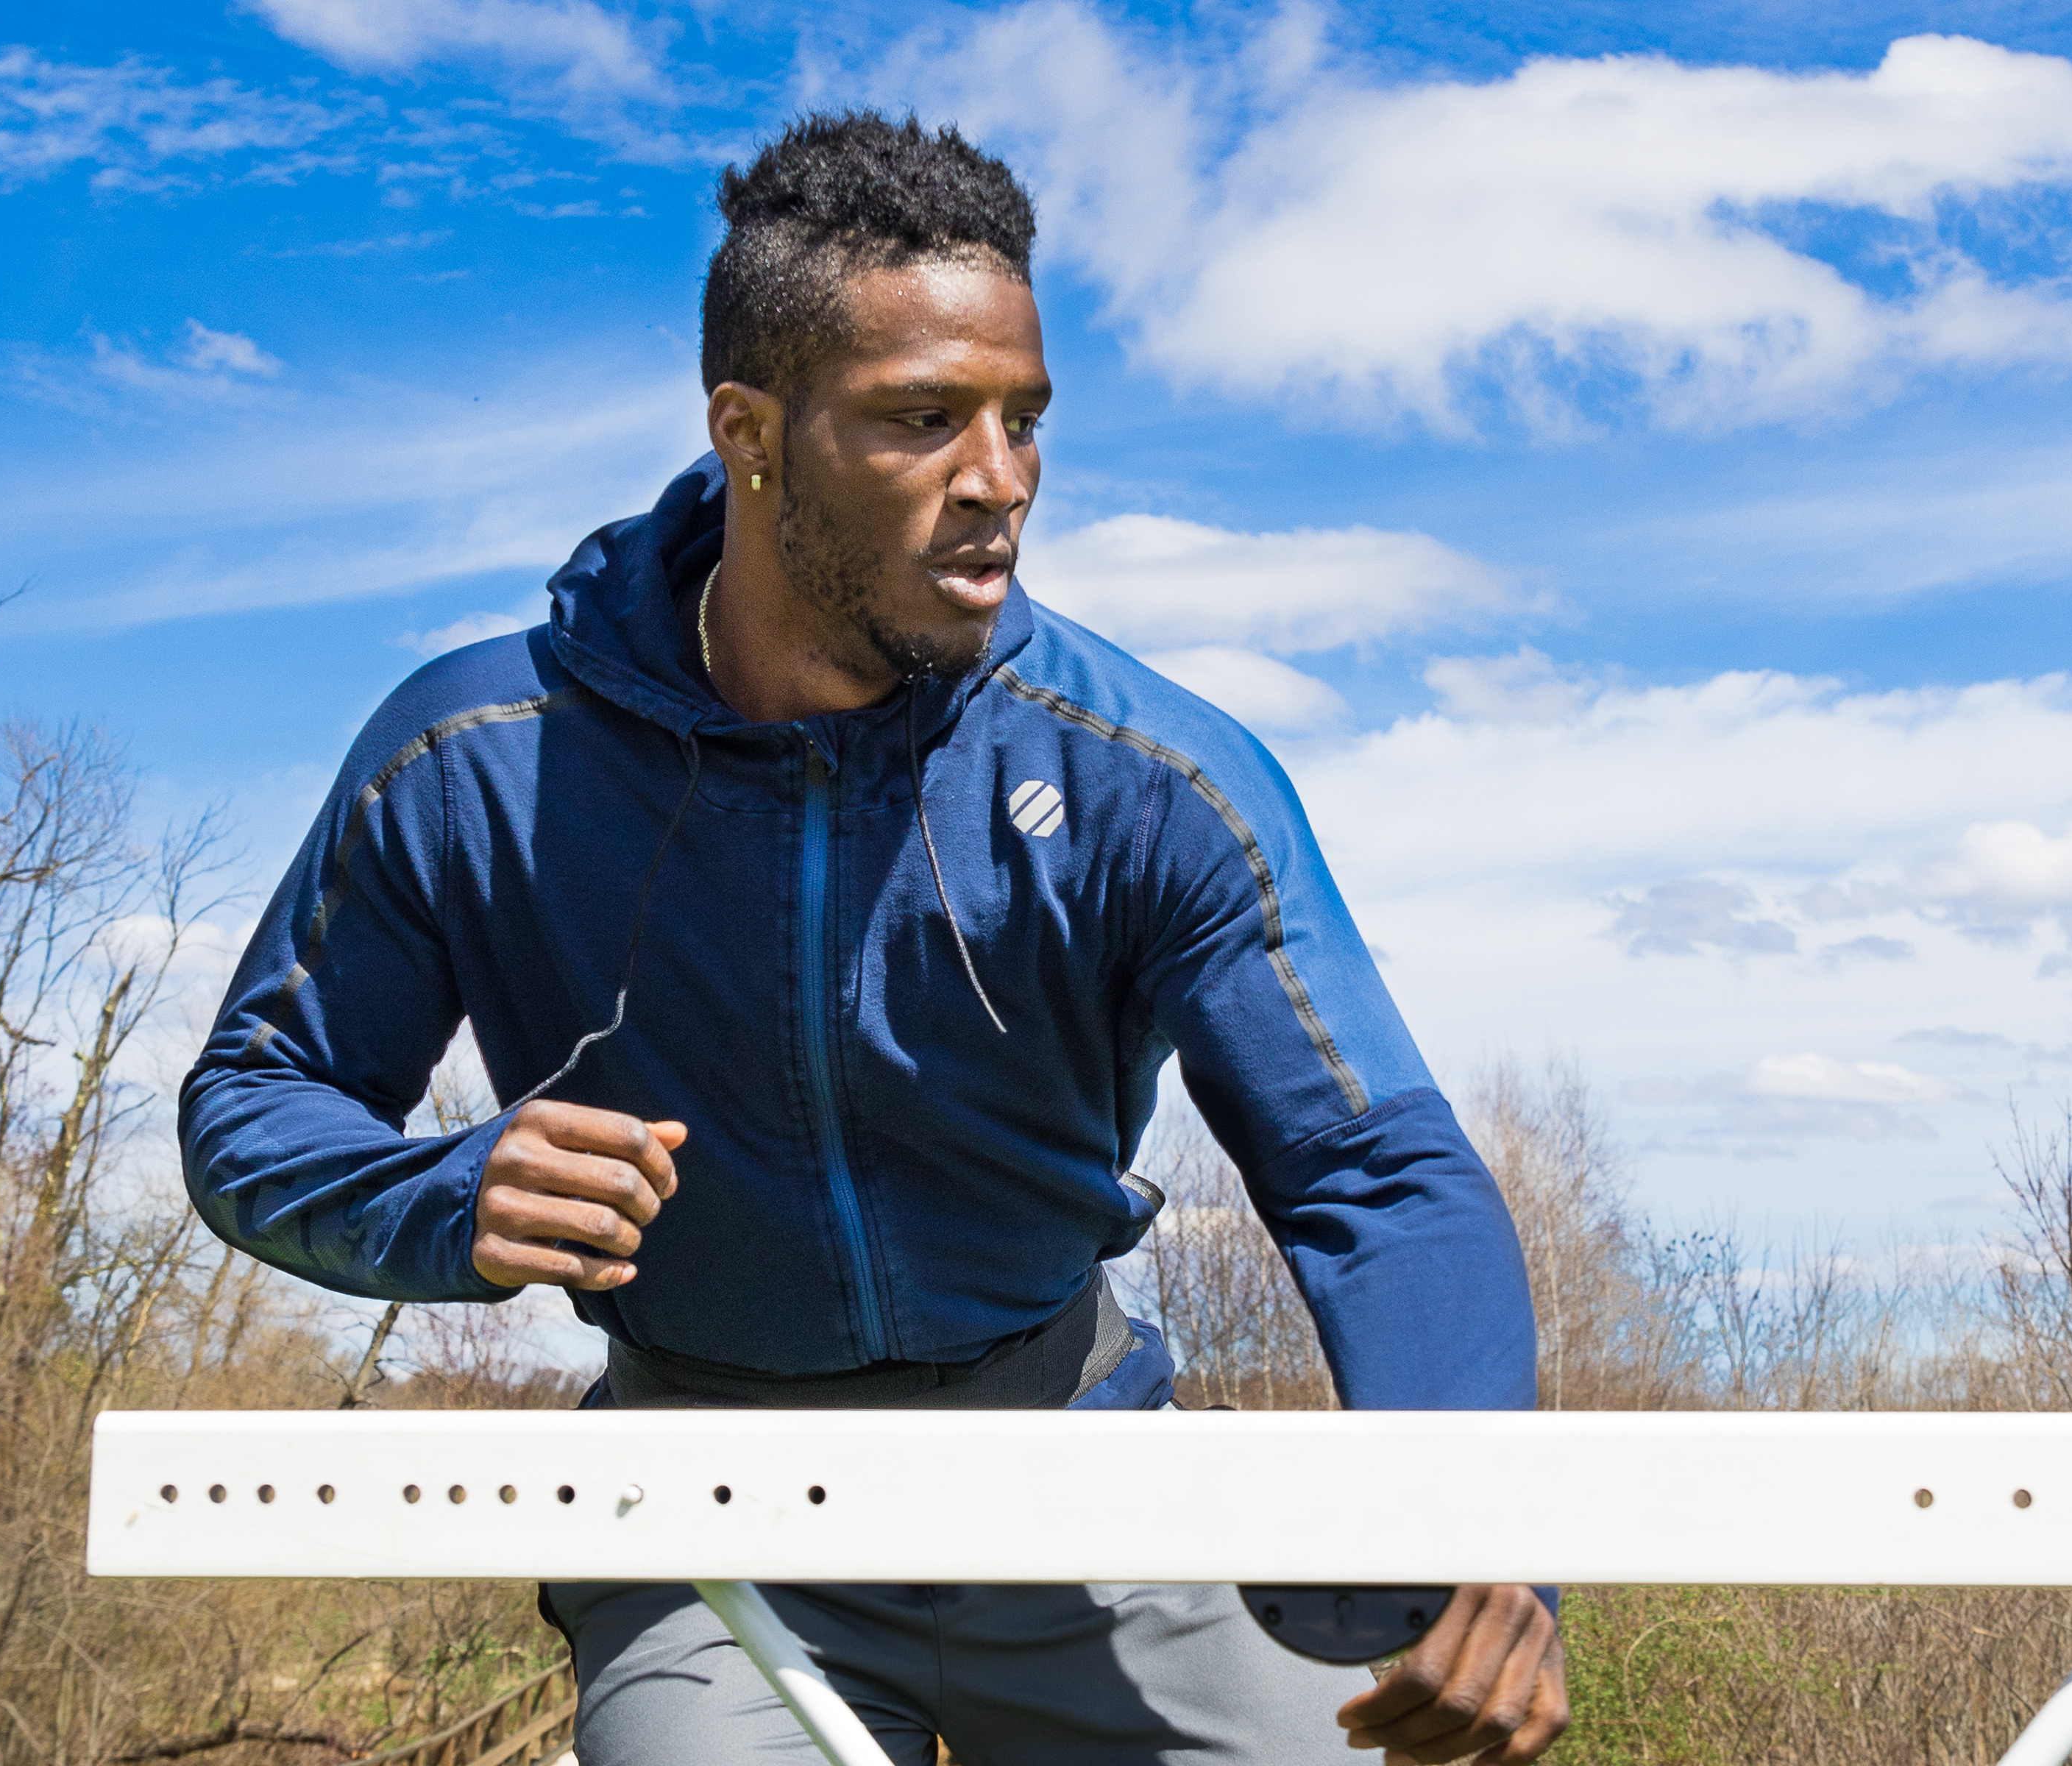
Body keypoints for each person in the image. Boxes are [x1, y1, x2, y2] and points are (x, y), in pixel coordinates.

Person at [178, 110, 1568, 1765]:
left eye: (1024, 420)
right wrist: (445, 1197)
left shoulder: (1151, 776)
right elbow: (253, 1105)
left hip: (1083, 1469)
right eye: (924, 420)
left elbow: (1376, 1170)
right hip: (712, 1520)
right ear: (750, 432)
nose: (1001, 481)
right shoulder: (472, 757)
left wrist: (1475, 1515)